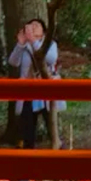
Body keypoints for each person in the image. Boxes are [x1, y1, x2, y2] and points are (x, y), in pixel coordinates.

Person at [9, 18, 62, 148]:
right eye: (30, 26)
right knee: (28, 128)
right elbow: (13, 62)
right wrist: (20, 44)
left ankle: (58, 150)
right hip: (28, 91)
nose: (33, 28)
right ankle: (29, 155)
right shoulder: (24, 46)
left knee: (51, 124)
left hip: (46, 91)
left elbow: (51, 59)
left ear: (44, 32)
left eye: (36, 26)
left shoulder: (50, 44)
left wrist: (34, 42)